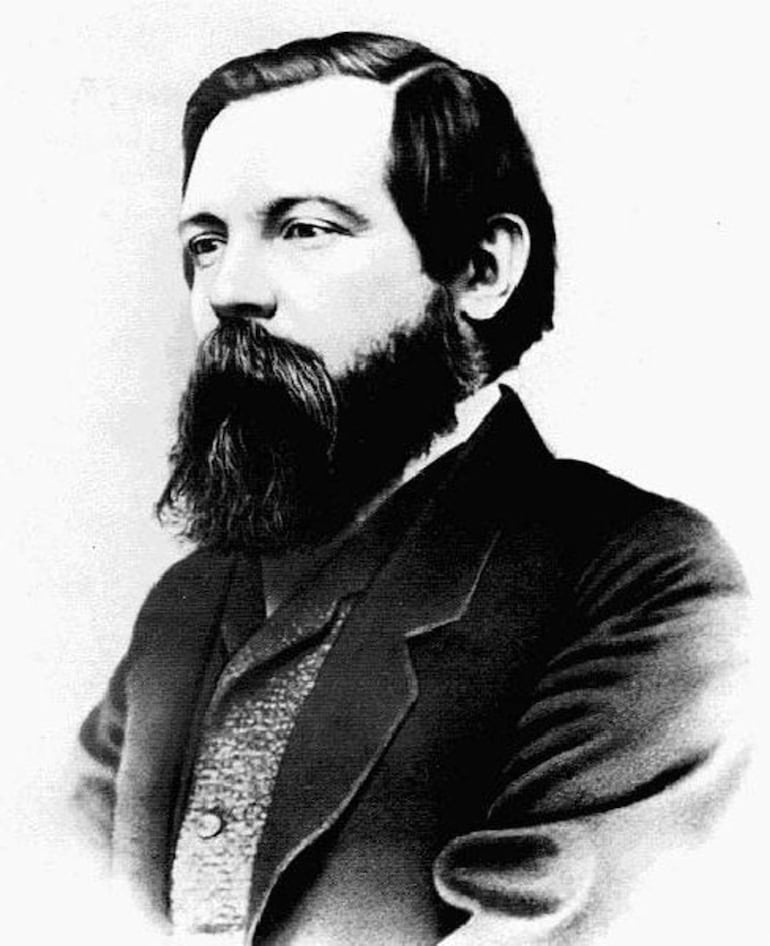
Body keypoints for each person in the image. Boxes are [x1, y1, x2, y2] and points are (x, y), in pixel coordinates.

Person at [72, 31, 750, 945]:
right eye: (206, 242)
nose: (229, 290)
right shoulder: (182, 607)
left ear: (481, 269)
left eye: (305, 229)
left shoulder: (642, 581)